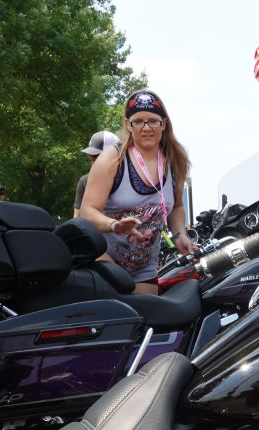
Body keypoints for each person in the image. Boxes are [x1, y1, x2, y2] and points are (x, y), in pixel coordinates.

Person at [80, 89, 194, 294]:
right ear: (127, 124)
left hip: (143, 266)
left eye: (153, 120)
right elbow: (87, 211)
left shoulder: (176, 161)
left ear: (164, 123)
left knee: (148, 319)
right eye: (138, 121)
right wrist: (114, 225)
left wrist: (180, 235)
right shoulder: (113, 159)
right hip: (104, 257)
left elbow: (176, 206)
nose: (146, 128)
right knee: (118, 319)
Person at [73, 130, 120, 217]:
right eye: (90, 154)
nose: (91, 158)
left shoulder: (130, 180)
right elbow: (77, 219)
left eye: (95, 155)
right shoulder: (85, 181)